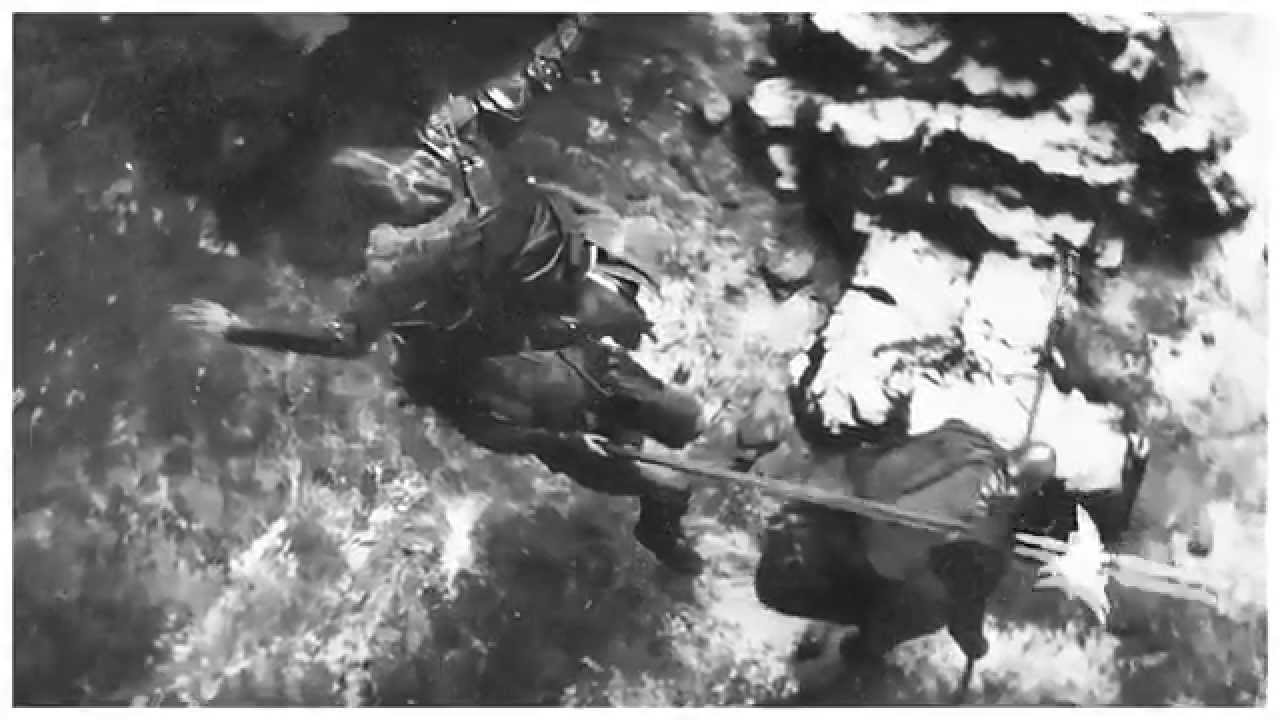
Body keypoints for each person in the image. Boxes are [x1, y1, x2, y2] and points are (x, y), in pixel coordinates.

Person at [172, 299, 708, 575]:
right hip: (573, 433)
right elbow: (492, 434)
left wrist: (610, 320)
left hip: (598, 374)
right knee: (673, 487)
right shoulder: (439, 374)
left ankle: (653, 452)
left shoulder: (485, 299)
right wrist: (563, 444)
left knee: (689, 420)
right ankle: (657, 530)